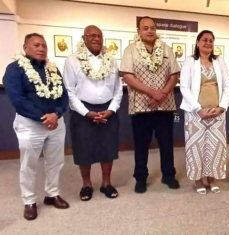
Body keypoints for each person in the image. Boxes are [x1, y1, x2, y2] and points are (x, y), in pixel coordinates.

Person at [3, 33, 70, 221]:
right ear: (25, 48)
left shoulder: (53, 69)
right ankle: (29, 201)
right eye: (36, 45)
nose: (41, 48)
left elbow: (63, 96)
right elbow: (18, 100)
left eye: (44, 45)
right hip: (30, 124)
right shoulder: (14, 69)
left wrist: (56, 114)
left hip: (56, 123)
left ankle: (52, 195)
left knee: (55, 161)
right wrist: (43, 118)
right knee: (29, 164)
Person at [120, 16, 180, 193]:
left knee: (167, 143)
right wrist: (152, 92)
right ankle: (140, 178)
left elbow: (174, 74)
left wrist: (162, 94)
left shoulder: (167, 50)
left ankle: (168, 175)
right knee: (141, 145)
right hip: (141, 107)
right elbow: (127, 76)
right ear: (138, 31)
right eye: (145, 28)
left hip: (165, 105)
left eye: (152, 27)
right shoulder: (130, 50)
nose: (149, 30)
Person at [63, 25, 123, 201]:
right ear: (84, 38)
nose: (96, 38)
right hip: (82, 111)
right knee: (84, 149)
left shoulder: (111, 60)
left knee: (108, 148)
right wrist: (86, 112)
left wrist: (111, 110)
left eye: (99, 36)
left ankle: (106, 183)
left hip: (108, 110)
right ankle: (86, 184)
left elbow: (118, 89)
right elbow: (70, 91)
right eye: (92, 35)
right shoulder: (73, 60)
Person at [180, 30, 229, 194]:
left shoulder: (219, 61)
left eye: (211, 40)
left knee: (215, 147)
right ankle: (198, 180)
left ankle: (212, 178)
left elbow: (227, 86)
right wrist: (198, 109)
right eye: (204, 40)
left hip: (217, 114)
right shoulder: (190, 62)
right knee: (196, 147)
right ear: (197, 42)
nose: (208, 43)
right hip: (196, 114)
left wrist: (222, 107)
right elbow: (184, 87)